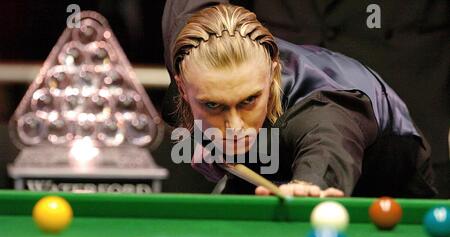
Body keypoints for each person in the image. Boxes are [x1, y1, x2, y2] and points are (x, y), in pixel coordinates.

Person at [162, 1, 437, 198]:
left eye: (249, 101)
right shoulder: (192, 47)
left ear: (271, 76)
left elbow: (328, 143)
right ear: (183, 88)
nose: (234, 125)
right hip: (272, 169)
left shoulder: (321, 108)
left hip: (387, 183)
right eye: (213, 104)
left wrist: (310, 184)